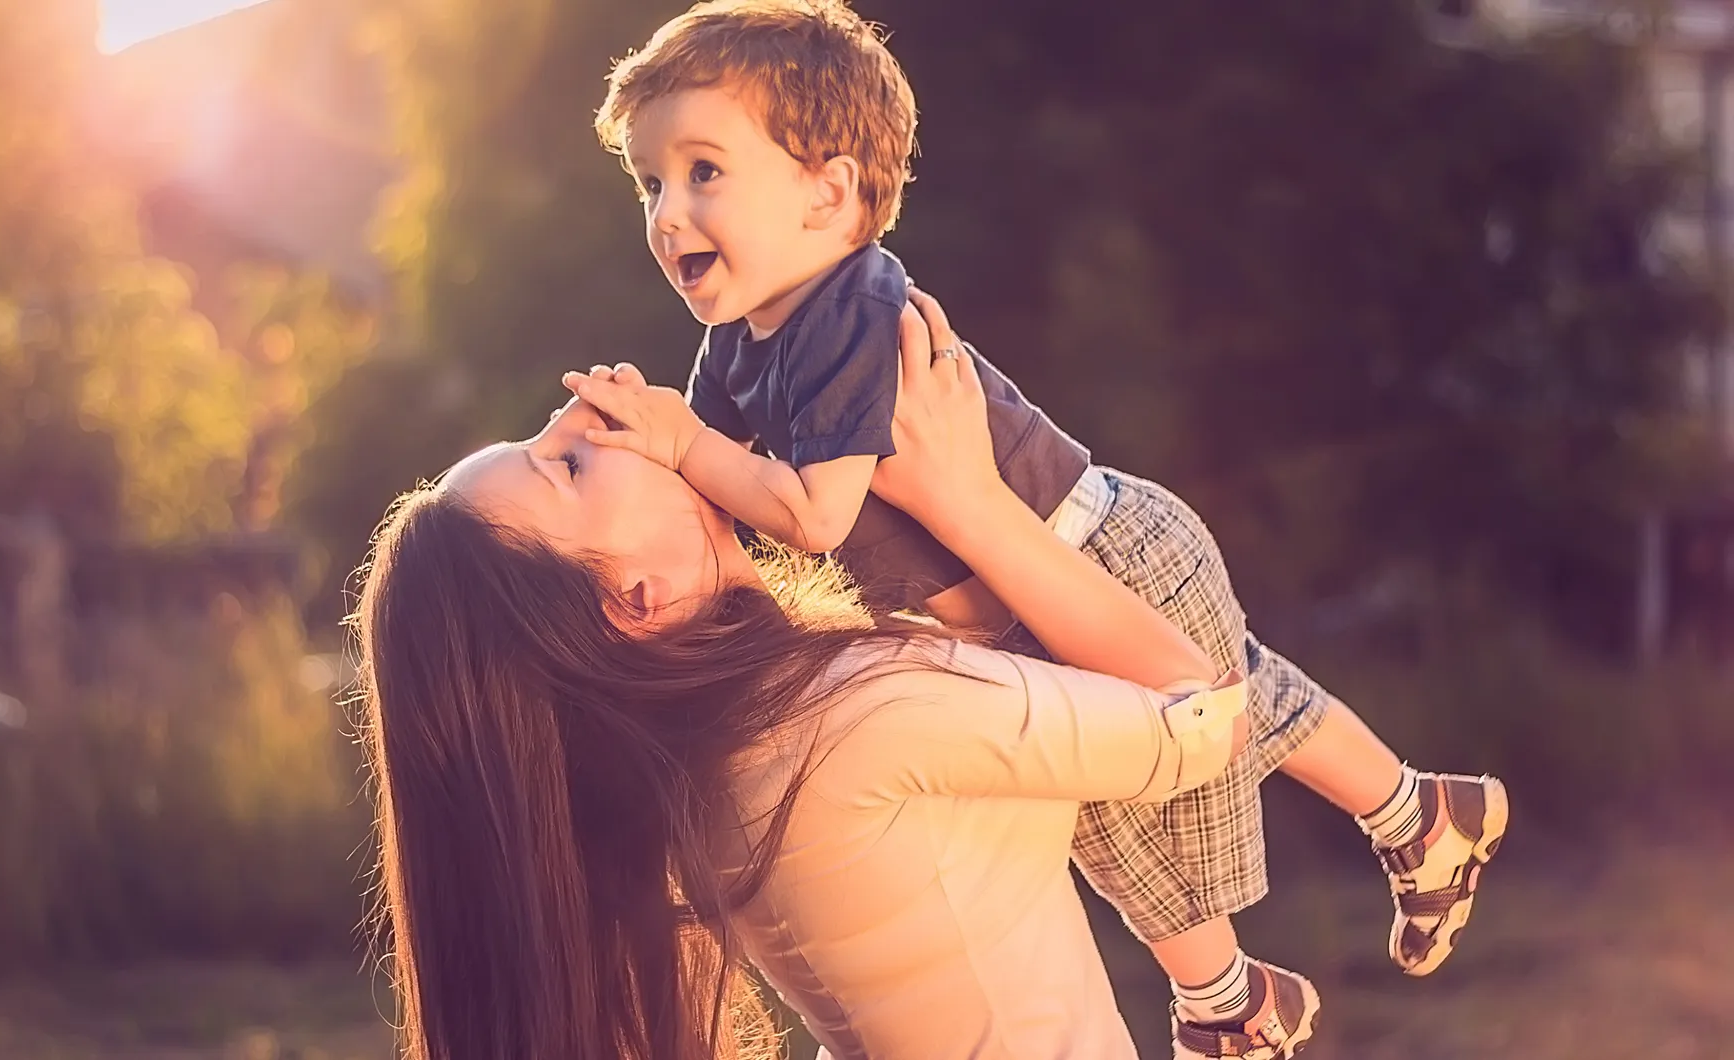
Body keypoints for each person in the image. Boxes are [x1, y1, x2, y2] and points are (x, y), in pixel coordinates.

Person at [583, 3, 1509, 1056]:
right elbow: (711, 492)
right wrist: (629, 450)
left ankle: (1234, 1000)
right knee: (1232, 704)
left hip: (1089, 550)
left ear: (828, 193)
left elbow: (810, 511)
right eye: (650, 182)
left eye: (703, 170)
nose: (666, 211)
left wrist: (679, 442)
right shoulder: (747, 345)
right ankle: (1415, 819)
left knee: (1127, 796)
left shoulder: (846, 310)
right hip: (1033, 585)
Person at [355, 300, 1252, 1060]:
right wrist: (968, 498)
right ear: (634, 598)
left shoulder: (712, 770)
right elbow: (1202, 716)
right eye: (568, 465)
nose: (589, 410)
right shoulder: (858, 710)